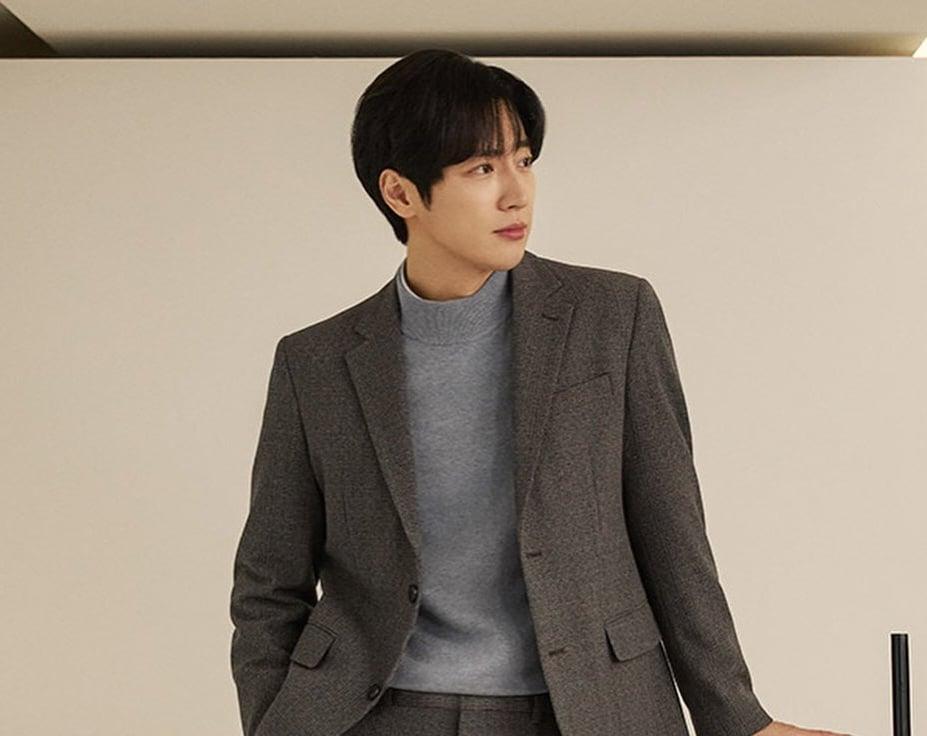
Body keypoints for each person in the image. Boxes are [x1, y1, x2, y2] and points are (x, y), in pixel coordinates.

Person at [230, 48, 853, 736]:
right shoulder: (315, 363)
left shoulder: (611, 317)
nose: (516, 193)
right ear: (401, 193)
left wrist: (738, 720)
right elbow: (269, 583)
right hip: (378, 714)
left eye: (522, 161)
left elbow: (673, 536)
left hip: (588, 709)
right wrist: (272, 723)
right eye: (481, 168)